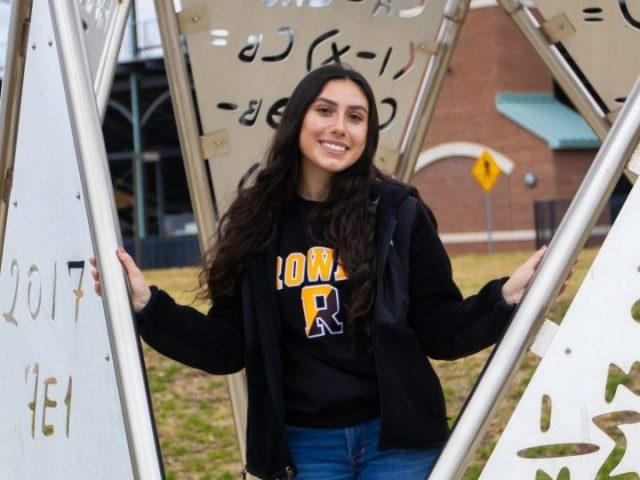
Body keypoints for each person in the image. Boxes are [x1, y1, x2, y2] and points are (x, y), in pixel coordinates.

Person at [91, 64, 545, 480]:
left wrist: (502, 298)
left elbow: (439, 330)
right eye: (325, 110)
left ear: (367, 133)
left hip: (398, 445)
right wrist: (148, 306)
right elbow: (228, 345)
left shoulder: (396, 214)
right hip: (303, 449)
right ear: (298, 121)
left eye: (355, 117)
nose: (339, 127)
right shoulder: (257, 222)